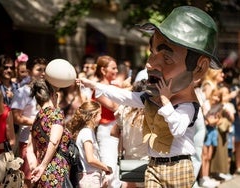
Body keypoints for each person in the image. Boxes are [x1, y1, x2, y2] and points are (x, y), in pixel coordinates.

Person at [77, 6, 222, 187]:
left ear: (199, 68)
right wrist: (95, 85)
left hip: (178, 166)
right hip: (153, 164)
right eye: (152, 53)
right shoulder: (150, 99)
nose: (150, 64)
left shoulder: (188, 106)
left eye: (167, 58)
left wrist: (166, 101)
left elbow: (177, 129)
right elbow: (126, 96)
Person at [27, 79, 72, 187]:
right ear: (52, 95)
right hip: (57, 171)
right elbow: (54, 141)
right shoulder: (56, 113)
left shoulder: (36, 118)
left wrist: (35, 167)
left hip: (41, 173)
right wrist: (43, 166)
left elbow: (29, 148)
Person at [10, 57, 48, 188]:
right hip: (27, 140)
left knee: (43, 179)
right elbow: (15, 117)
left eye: (45, 70)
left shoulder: (48, 91)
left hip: (47, 142)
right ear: (29, 71)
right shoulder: (22, 92)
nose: (43, 73)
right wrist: (40, 122)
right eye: (39, 70)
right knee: (28, 179)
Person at [67, 101, 113, 188]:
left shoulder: (87, 132)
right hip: (89, 177)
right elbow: (90, 159)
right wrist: (106, 167)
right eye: (100, 114)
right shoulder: (87, 132)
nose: (101, 117)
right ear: (93, 116)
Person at [91, 55, 121, 188]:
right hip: (106, 130)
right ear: (103, 70)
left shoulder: (113, 86)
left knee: (117, 165)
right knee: (109, 167)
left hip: (116, 129)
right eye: (113, 68)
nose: (116, 71)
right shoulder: (99, 88)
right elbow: (114, 106)